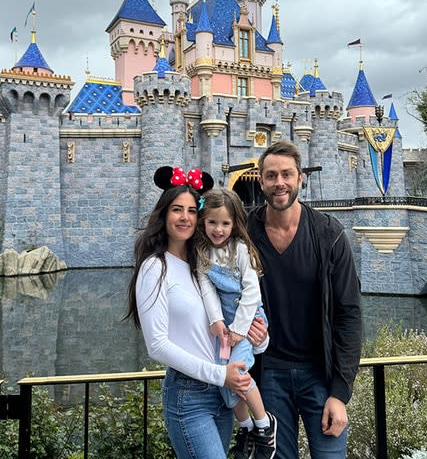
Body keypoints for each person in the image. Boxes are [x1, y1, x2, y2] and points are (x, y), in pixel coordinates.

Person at [125, 165, 267, 459]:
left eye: (192, 210)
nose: (185, 217)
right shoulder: (155, 267)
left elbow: (230, 325)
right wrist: (219, 374)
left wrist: (259, 337)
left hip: (223, 392)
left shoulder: (204, 266)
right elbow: (157, 346)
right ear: (164, 214)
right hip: (190, 396)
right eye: (177, 209)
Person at [247, 140, 362, 459]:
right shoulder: (244, 233)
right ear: (261, 181)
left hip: (319, 376)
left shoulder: (329, 233)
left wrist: (340, 393)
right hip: (268, 376)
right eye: (271, 176)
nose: (279, 182)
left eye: (286, 174)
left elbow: (348, 315)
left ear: (300, 178)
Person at [196, 188, 277, 459]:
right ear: (203, 222)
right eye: (212, 222)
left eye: (225, 223)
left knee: (238, 375)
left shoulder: (240, 249)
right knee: (224, 379)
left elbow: (253, 292)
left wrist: (239, 330)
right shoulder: (202, 253)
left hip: (247, 320)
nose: (218, 229)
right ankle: (246, 427)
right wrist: (216, 320)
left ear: (234, 224)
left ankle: (265, 426)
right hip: (226, 327)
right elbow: (207, 289)